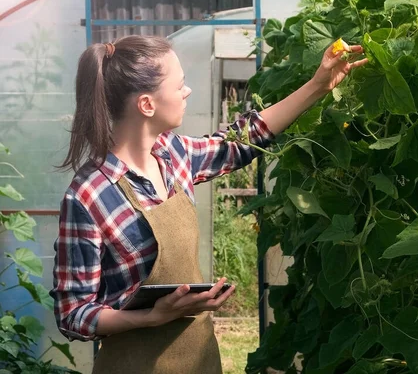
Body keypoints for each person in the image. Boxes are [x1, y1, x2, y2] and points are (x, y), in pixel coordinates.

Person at [50, 34, 367, 374]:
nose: (187, 92)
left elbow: (243, 140)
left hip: (198, 358)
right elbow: (73, 313)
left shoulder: (173, 155)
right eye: (179, 86)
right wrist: (150, 316)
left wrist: (319, 85)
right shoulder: (89, 195)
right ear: (147, 104)